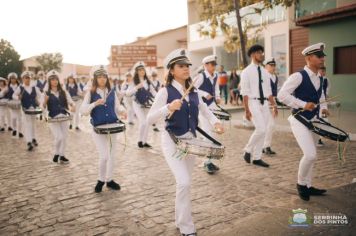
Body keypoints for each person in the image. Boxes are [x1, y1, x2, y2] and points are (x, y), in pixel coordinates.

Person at [147, 48, 224, 236]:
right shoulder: (165, 92)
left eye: (187, 66)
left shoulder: (194, 91)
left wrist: (216, 122)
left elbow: (205, 110)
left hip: (190, 142)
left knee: (184, 184)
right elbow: (149, 119)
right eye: (181, 66)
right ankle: (187, 228)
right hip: (172, 141)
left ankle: (180, 220)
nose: (186, 69)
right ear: (171, 70)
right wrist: (168, 107)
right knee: (184, 182)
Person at [277, 42, 329, 201]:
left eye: (322, 56)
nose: (322, 59)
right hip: (299, 119)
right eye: (318, 56)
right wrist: (302, 104)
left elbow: (321, 97)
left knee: (313, 156)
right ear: (308, 58)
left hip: (314, 120)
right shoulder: (298, 76)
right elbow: (282, 95)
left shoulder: (320, 77)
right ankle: (300, 184)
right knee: (310, 154)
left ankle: (308, 184)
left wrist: (323, 108)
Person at [80, 65, 126, 193]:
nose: (102, 79)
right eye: (99, 77)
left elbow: (118, 107)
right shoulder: (91, 93)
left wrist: (123, 111)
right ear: (95, 78)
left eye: (104, 76)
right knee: (104, 156)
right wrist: (94, 104)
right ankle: (100, 180)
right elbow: (82, 111)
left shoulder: (112, 92)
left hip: (112, 127)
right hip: (98, 129)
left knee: (112, 155)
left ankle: (109, 180)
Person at [241, 44, 278, 168]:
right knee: (261, 129)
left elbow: (268, 91)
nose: (261, 54)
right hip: (253, 102)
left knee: (264, 130)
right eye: (258, 52)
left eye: (262, 52)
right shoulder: (246, 72)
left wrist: (274, 105)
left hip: (265, 104)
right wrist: (246, 110)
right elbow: (245, 93)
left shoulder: (264, 72)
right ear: (252, 55)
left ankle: (257, 158)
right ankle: (247, 149)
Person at [194, 55, 221, 174]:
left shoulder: (215, 76)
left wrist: (218, 97)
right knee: (208, 134)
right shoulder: (200, 76)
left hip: (212, 106)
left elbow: (216, 88)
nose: (214, 66)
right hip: (202, 107)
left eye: (214, 64)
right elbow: (192, 89)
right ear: (205, 65)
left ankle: (210, 161)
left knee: (214, 134)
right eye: (211, 64)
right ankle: (206, 162)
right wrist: (204, 94)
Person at [43, 70, 75, 164]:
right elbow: (42, 107)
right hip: (53, 118)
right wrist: (45, 101)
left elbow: (70, 101)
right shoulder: (46, 93)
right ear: (49, 81)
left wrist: (73, 105)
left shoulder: (63, 91)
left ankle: (62, 155)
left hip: (64, 116)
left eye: (56, 79)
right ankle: (56, 153)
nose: (55, 81)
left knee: (64, 137)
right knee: (59, 137)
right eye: (52, 79)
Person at [126, 61, 156, 148]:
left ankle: (144, 141)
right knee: (143, 122)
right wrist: (136, 87)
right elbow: (128, 93)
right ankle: (139, 141)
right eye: (139, 70)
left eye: (143, 69)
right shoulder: (133, 81)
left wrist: (160, 96)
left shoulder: (148, 81)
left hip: (146, 104)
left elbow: (153, 92)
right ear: (136, 71)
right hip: (137, 104)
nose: (141, 71)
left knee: (147, 122)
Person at [13, 71, 42, 151]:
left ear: (30, 79)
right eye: (26, 78)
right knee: (27, 124)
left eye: (28, 78)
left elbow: (40, 95)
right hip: (25, 109)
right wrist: (18, 97)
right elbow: (14, 95)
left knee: (33, 124)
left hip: (34, 109)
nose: (27, 80)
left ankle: (33, 138)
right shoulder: (20, 88)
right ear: (23, 79)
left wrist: (38, 100)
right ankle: (29, 142)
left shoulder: (34, 88)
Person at [262, 58, 278, 155]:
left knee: (269, 126)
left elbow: (274, 92)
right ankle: (265, 146)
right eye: (271, 65)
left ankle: (265, 146)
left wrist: (275, 103)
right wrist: (273, 105)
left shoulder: (274, 77)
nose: (273, 67)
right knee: (269, 125)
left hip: (271, 102)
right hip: (264, 103)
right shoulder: (264, 76)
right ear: (266, 66)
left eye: (274, 65)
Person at [6, 72, 24, 138]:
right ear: (10, 79)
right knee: (13, 117)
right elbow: (6, 95)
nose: (13, 80)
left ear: (16, 79)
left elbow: (22, 94)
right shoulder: (8, 86)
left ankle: (20, 131)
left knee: (20, 117)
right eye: (11, 78)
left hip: (19, 103)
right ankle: (14, 129)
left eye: (14, 78)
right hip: (12, 104)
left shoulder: (20, 86)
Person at [317, 66, 329, 147]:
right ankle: (318, 139)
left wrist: (326, 97)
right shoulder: (316, 78)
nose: (323, 72)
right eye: (321, 70)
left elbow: (327, 89)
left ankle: (320, 137)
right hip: (316, 103)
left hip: (323, 102)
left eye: (324, 71)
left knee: (324, 120)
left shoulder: (326, 79)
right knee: (318, 120)